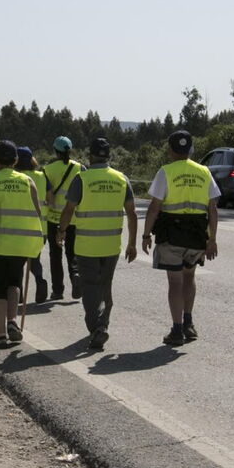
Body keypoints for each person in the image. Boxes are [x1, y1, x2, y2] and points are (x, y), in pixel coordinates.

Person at [56, 137, 138, 351]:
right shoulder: (122, 179)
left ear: (90, 155)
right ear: (108, 156)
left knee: (90, 288)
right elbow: (132, 214)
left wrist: (61, 231)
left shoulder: (82, 179)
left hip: (86, 246)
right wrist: (132, 244)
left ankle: (97, 327)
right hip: (111, 246)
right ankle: (103, 324)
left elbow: (68, 210)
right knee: (105, 287)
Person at [141, 130, 220, 346]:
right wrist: (212, 239)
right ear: (191, 150)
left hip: (171, 235)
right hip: (196, 235)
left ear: (170, 150)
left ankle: (176, 331)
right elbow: (213, 209)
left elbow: (154, 207)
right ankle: (188, 323)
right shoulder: (204, 172)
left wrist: (146, 235)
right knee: (189, 277)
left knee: (174, 282)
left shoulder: (165, 172)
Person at [0, 140, 43, 348]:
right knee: (14, 283)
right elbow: (37, 213)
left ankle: (0, 334)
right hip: (21, 244)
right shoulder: (27, 181)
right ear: (15, 160)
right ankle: (12, 321)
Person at [44, 136, 84, 300]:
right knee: (72, 253)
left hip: (54, 219)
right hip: (74, 218)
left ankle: (58, 290)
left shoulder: (48, 169)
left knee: (55, 256)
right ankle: (75, 275)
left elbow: (47, 195)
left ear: (55, 151)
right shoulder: (81, 168)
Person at [15, 146, 49, 303]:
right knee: (35, 260)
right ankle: (41, 283)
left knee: (18, 263)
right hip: (40, 228)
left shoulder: (15, 178)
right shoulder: (42, 176)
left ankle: (18, 294)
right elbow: (50, 198)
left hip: (19, 228)